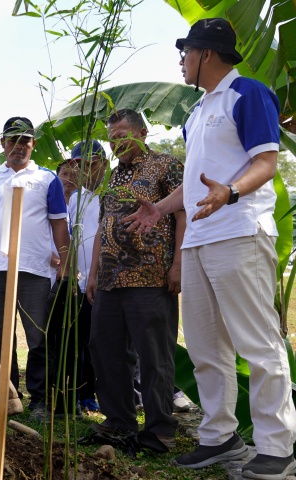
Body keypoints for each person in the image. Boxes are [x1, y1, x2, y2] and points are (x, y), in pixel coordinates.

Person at [124, 18, 296, 479]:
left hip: (239, 230)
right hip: (199, 239)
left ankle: (278, 448)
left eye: (186, 52)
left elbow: (265, 160)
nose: (181, 61)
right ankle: (220, 437)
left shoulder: (249, 93)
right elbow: (192, 183)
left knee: (257, 344)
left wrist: (231, 192)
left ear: (207, 54)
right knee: (205, 346)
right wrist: (159, 209)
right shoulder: (195, 113)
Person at [85, 109, 185, 452]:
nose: (117, 143)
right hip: (111, 280)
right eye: (111, 138)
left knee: (154, 355)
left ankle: (160, 431)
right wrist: (95, 272)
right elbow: (103, 225)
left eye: (123, 135)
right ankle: (118, 423)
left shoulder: (166, 165)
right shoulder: (112, 176)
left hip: (151, 277)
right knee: (106, 351)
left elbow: (182, 212)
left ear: (142, 133)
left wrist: (179, 263)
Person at [0, 117, 70, 421]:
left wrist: (65, 262)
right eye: (13, 140)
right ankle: (5, 398)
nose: (19, 146)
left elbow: (59, 224)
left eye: (25, 140)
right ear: (2, 144)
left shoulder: (48, 179)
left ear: (33, 144)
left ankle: (40, 400)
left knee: (37, 336)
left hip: (35, 269)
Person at [49, 140, 107, 417]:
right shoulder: (75, 200)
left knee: (101, 343)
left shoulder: (113, 194)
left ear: (103, 164)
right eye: (79, 165)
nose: (86, 171)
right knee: (75, 342)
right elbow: (66, 237)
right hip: (78, 282)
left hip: (108, 281)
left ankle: (91, 394)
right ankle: (70, 398)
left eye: (92, 164)